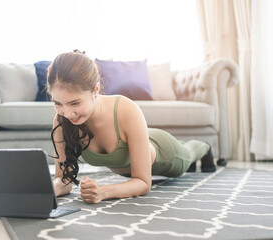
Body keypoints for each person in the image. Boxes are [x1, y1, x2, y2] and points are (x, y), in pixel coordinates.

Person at [47, 50, 216, 204]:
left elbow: (143, 183)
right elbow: (63, 180)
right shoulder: (62, 121)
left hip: (166, 152)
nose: (68, 113)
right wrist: (48, 190)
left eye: (75, 103)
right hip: (139, 139)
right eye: (58, 103)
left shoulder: (125, 109)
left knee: (189, 153)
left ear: (95, 90)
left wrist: (104, 192)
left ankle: (204, 148)